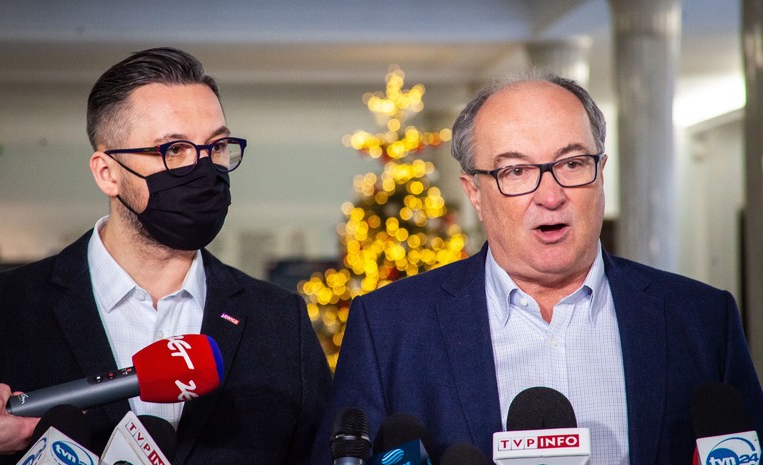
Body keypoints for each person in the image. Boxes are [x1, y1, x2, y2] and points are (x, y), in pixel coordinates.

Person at [311, 72, 763, 465]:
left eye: (572, 163)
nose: (550, 196)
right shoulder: (389, 328)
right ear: (474, 192)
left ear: (601, 172)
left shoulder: (702, 319)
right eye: (516, 172)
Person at [0, 47, 331, 464]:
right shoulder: (8, 309)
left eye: (217, 146)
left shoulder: (280, 322)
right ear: (107, 173)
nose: (203, 168)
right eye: (173, 149)